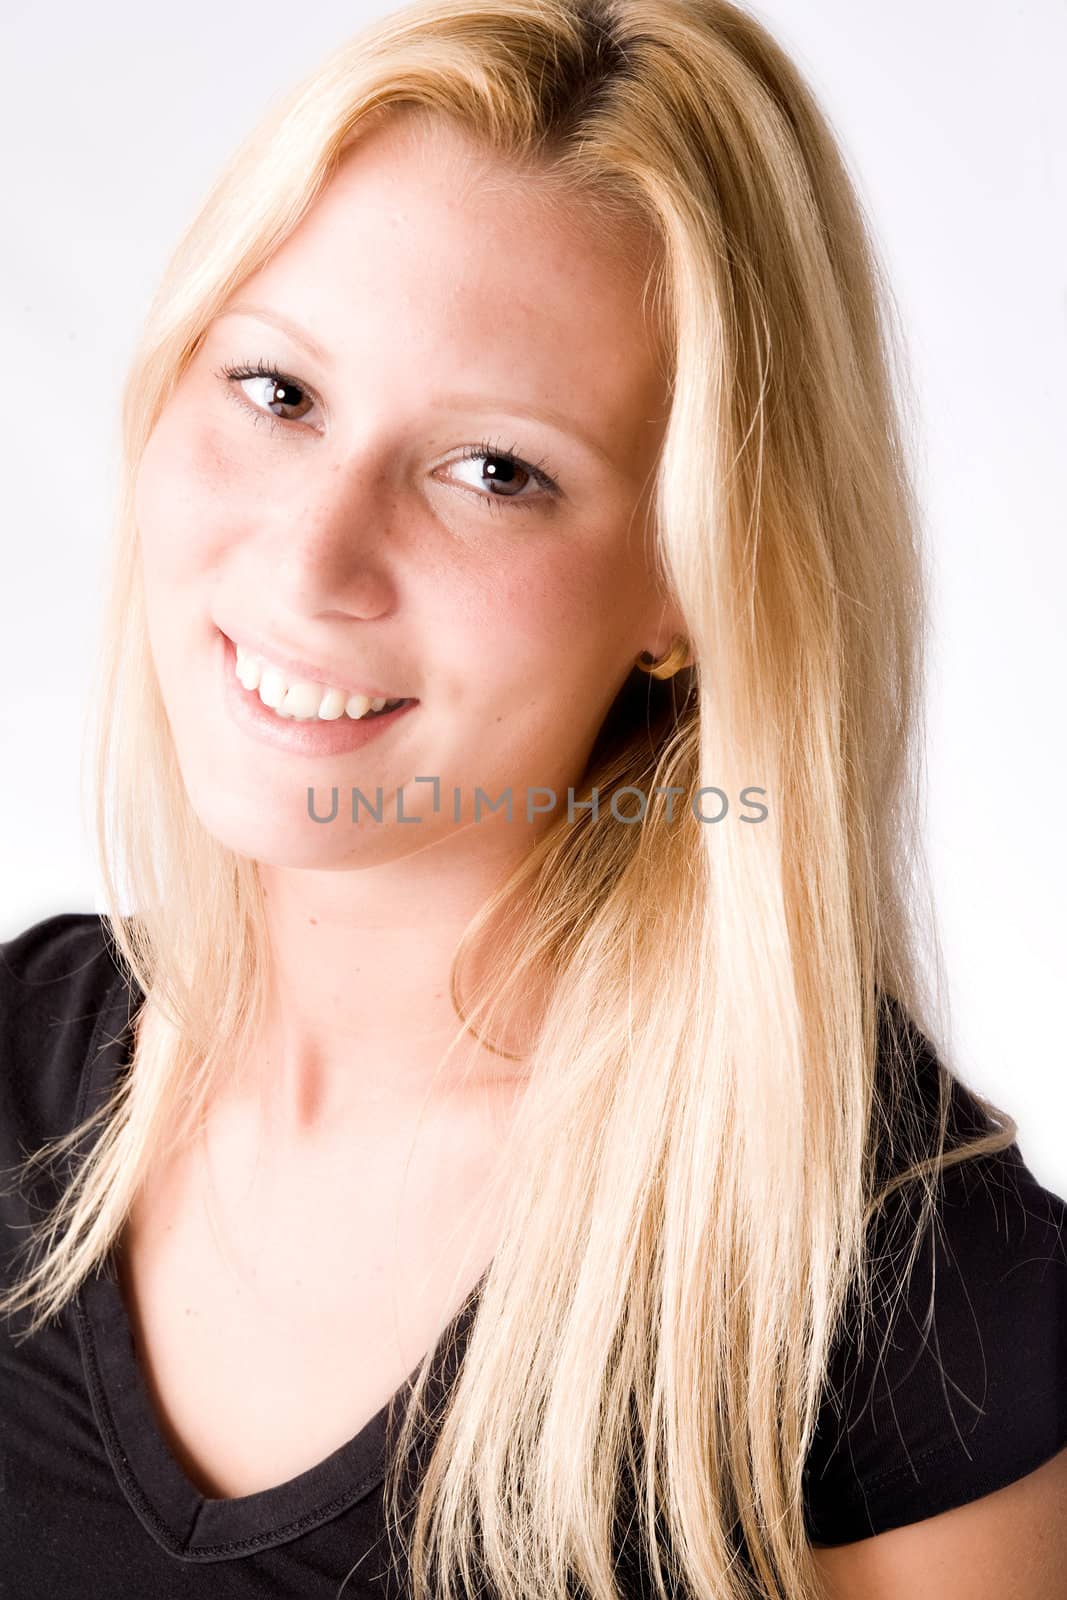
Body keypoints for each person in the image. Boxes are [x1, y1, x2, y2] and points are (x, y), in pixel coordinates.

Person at [1, 1, 1064, 1596]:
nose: (310, 560)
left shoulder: (900, 1288)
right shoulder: (23, 1053)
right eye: (279, 391)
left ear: (694, 583)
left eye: (496, 470)